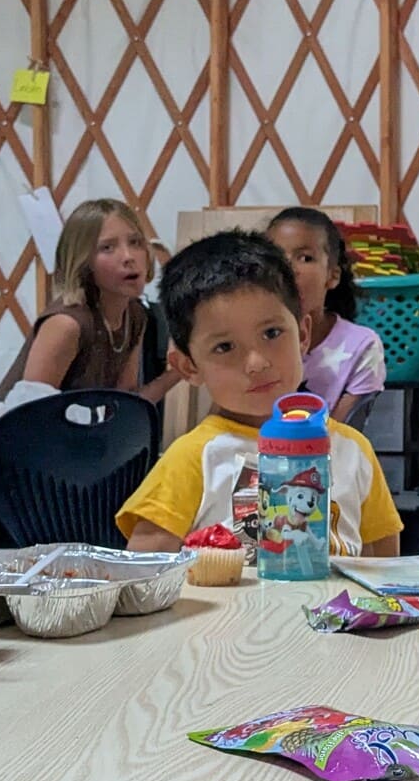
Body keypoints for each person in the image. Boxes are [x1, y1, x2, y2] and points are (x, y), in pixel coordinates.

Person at [116, 230, 402, 557]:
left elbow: (385, 566)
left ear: (303, 335)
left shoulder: (353, 451)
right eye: (225, 347)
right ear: (189, 366)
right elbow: (144, 570)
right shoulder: (194, 458)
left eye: (272, 333)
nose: (256, 363)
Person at [0, 197, 176, 402]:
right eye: (107, 247)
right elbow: (31, 413)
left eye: (135, 242)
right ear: (83, 260)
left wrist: (179, 370)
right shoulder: (67, 325)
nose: (128, 257)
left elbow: (124, 404)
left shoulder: (134, 316)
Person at [267, 206, 385, 420]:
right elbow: (219, 426)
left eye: (305, 258)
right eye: (275, 258)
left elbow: (341, 434)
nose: (287, 269)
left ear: (332, 276)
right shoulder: (249, 341)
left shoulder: (361, 346)